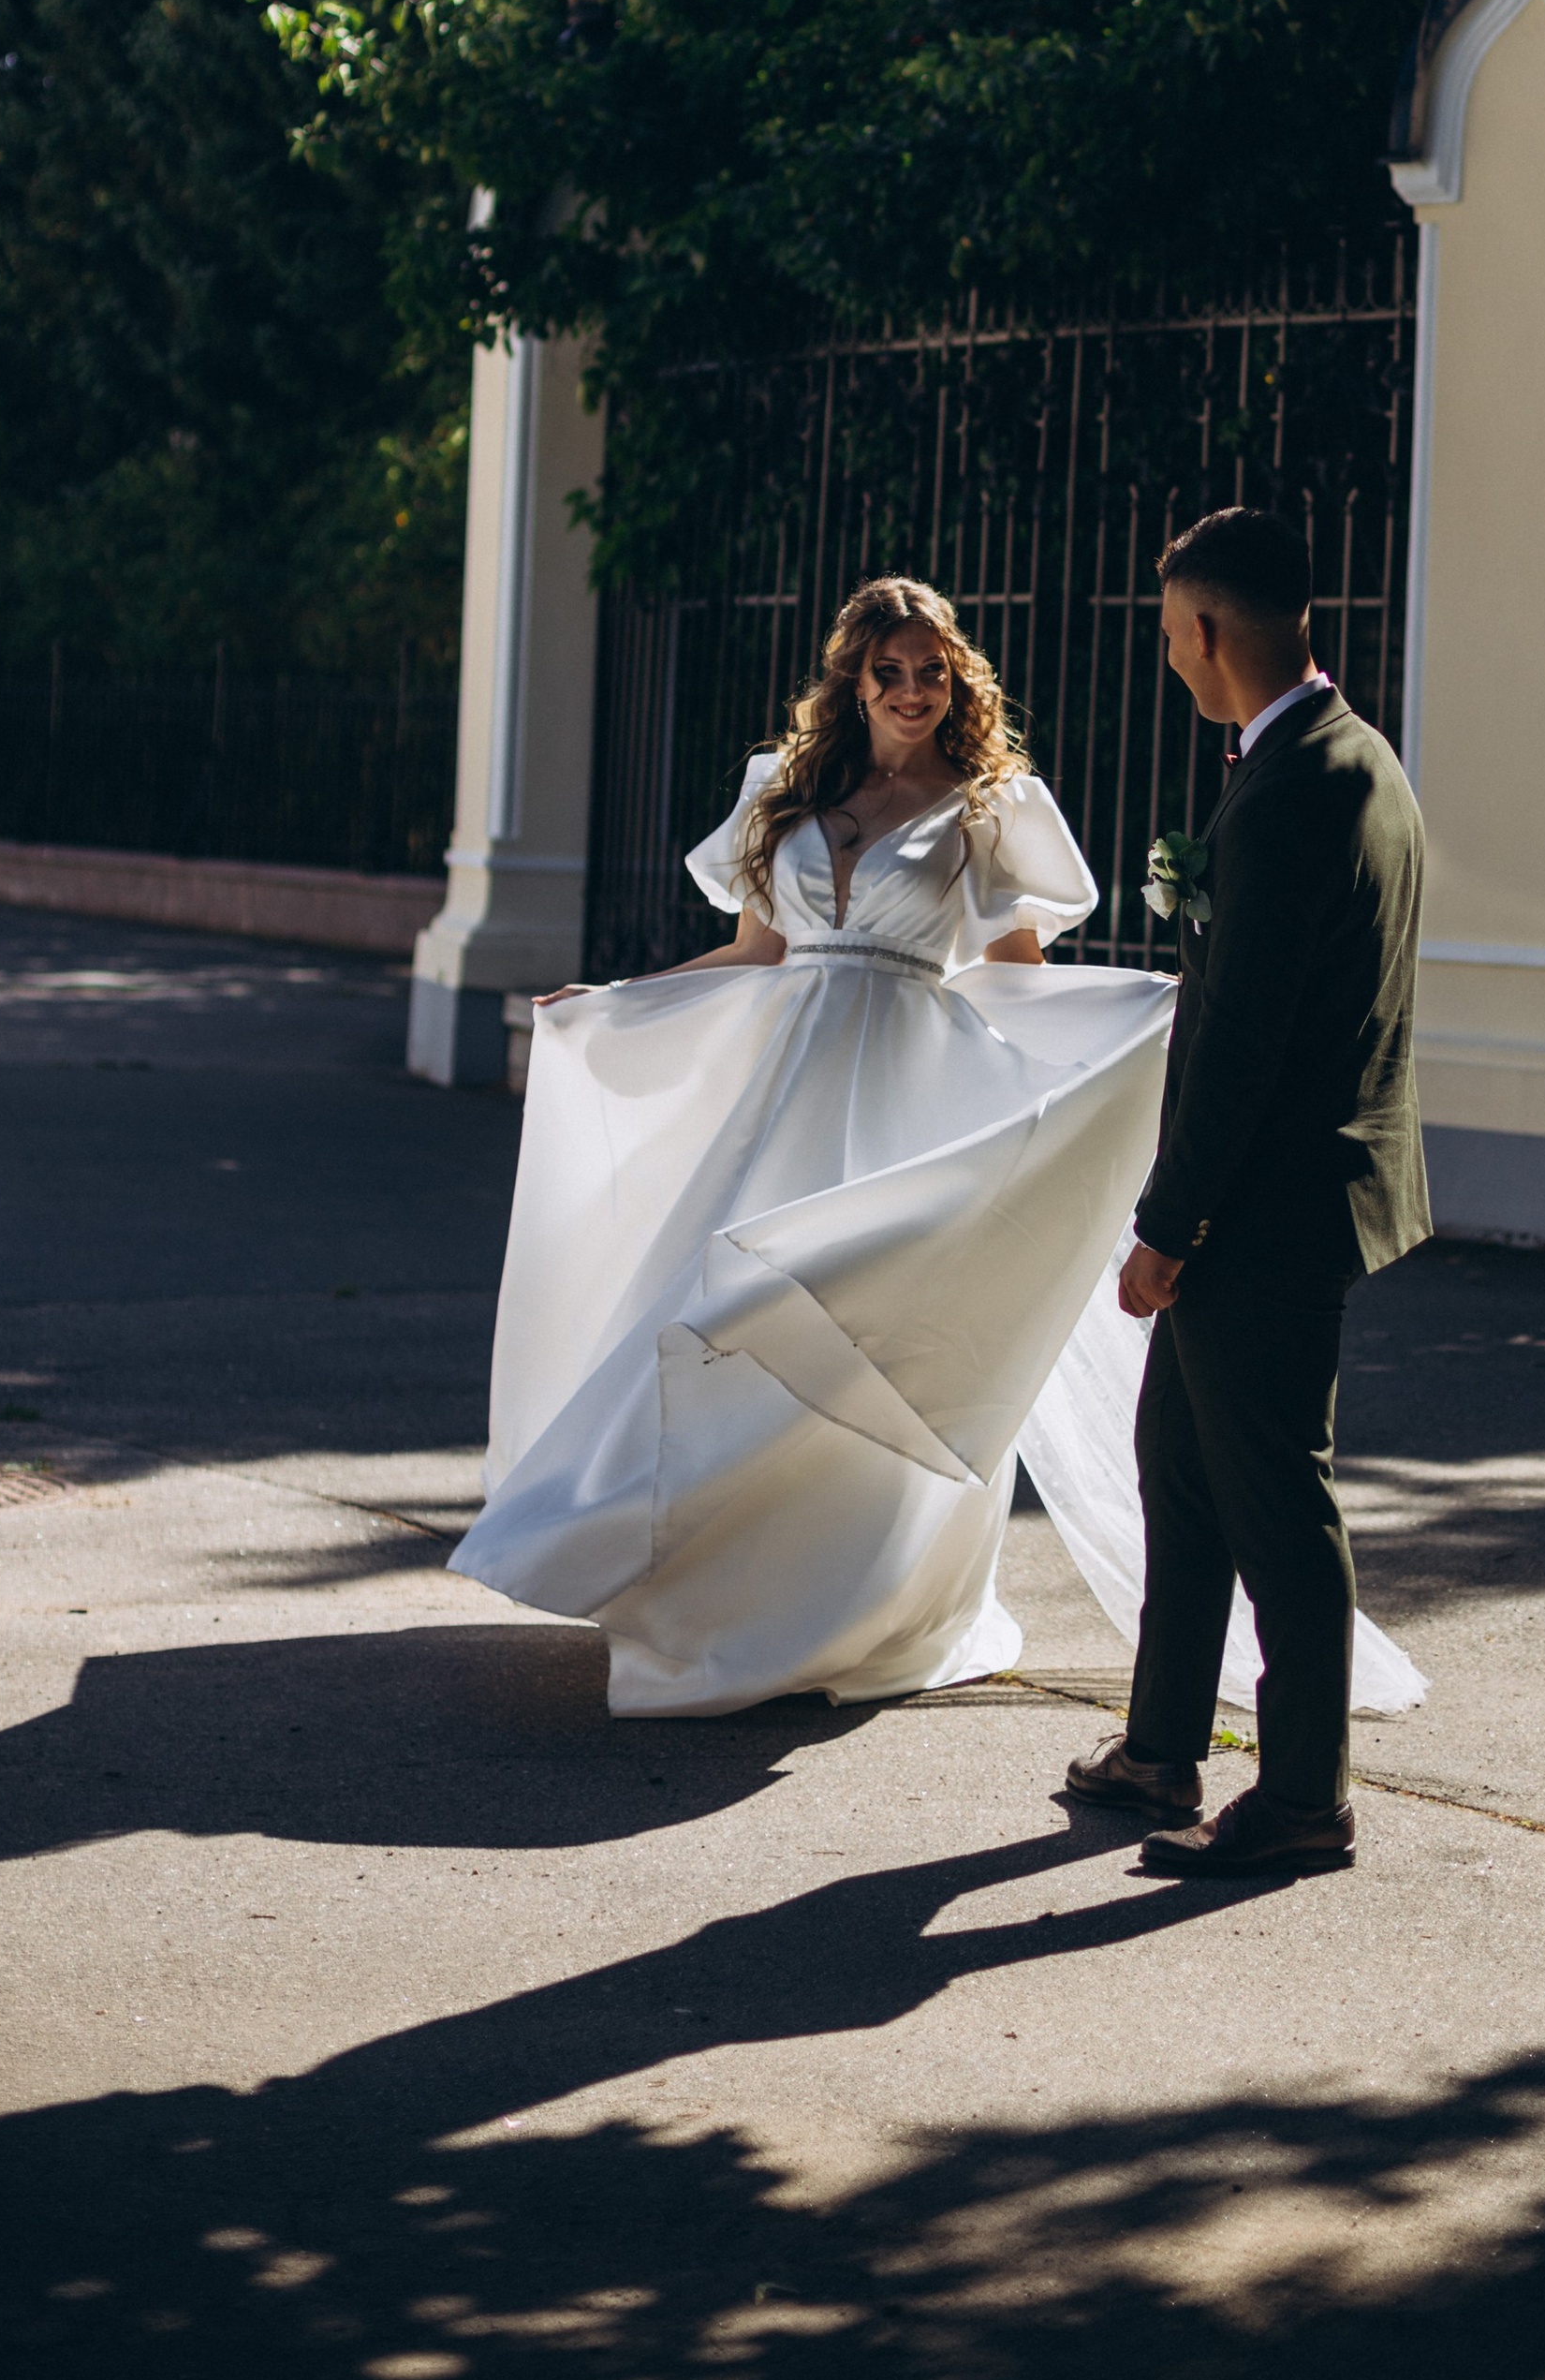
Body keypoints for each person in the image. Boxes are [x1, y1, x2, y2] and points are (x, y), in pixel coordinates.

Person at [447, 575, 1180, 1712]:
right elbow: (757, 954)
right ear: (851, 679)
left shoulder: (991, 806)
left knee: (868, 1329)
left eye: (932, 672)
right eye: (888, 671)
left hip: (903, 1093)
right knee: (709, 1315)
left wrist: (1118, 1033)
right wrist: (616, 996)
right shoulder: (783, 794)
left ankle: (854, 1605)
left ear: (957, 680)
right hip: (783, 1093)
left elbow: (1017, 979)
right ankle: (707, 1593)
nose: (912, 692)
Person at [1066, 505, 1431, 1876]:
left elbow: (1247, 1044)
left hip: (1267, 1209)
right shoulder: (1340, 759)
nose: (1168, 657)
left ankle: (1306, 1794)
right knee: (1183, 1468)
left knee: (1278, 1495)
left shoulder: (1297, 790)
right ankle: (1164, 1742)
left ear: (1211, 630)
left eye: (1170, 635)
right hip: (1286, 1195)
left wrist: (1168, 1229)